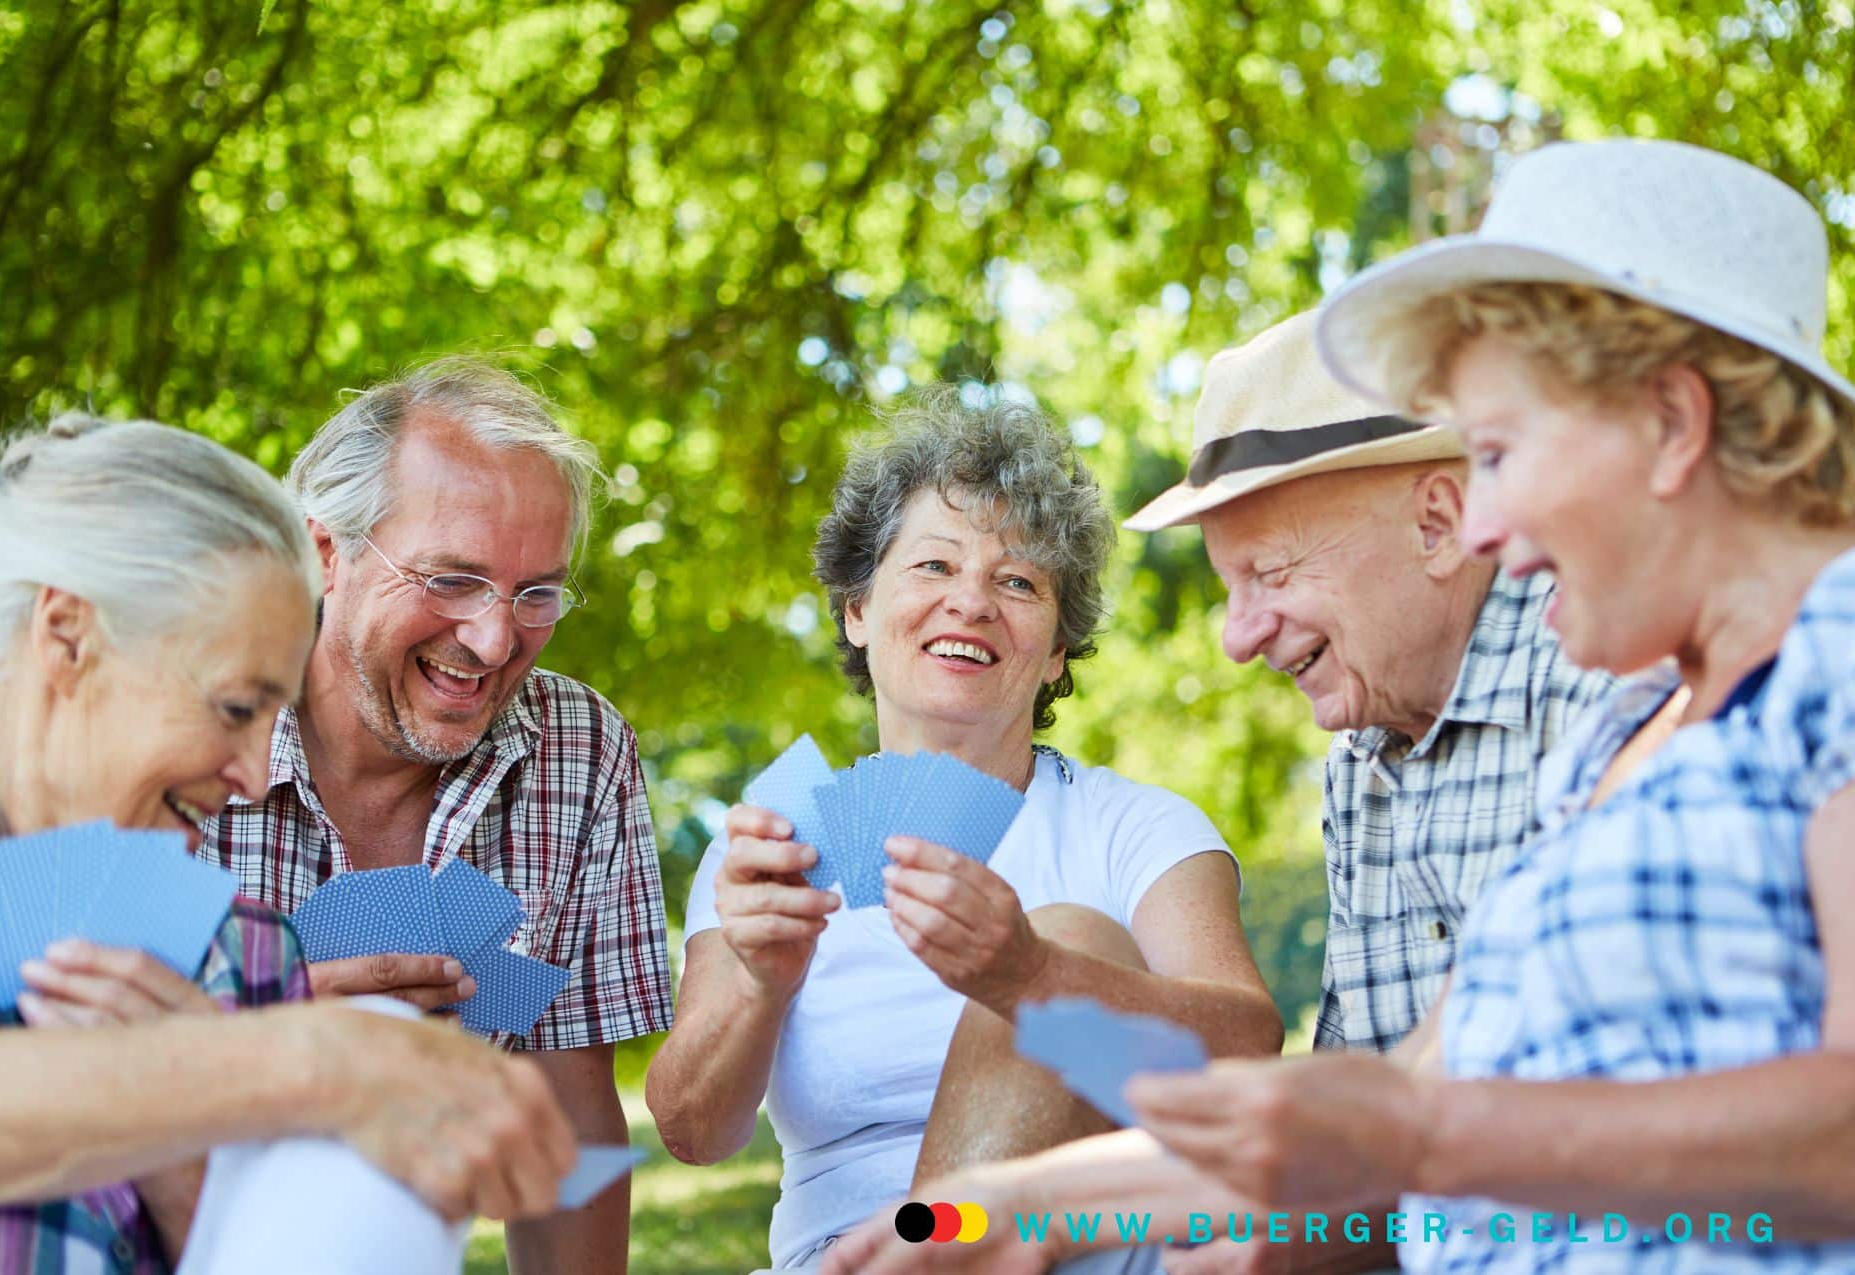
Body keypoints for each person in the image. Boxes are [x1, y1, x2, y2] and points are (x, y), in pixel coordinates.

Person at [1122, 139, 1855, 1271]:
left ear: (1672, 424)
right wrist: (996, 1216)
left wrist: (1418, 1142)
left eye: (1502, 452)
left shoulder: (1824, 656)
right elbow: (1395, 1090)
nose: (1487, 528)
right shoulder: (1630, 728)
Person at [823, 314, 1614, 1274]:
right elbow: (1360, 1127)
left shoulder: (1604, 678)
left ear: (1438, 525)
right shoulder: (1363, 763)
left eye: (1268, 574)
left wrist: (1061, 1202)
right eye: (1231, 586)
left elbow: (1591, 1120)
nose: (1239, 638)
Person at [646, 385, 1285, 1271]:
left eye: (1017, 581)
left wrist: (1035, 973)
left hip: (1077, 1250)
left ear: (1057, 648)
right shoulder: (773, 844)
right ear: (857, 610)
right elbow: (691, 1131)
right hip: (839, 1253)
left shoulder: (1136, 827)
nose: (972, 603)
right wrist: (760, 983)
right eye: (934, 566)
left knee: (1076, 935)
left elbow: (1250, 1050)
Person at [0, 415, 575, 1272]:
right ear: (67, 634)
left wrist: (191, 1166)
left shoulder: (239, 955)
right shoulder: (286, 1041)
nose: (248, 774)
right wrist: (295, 1061)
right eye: (236, 708)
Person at [198, 357, 672, 1275]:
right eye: (451, 579)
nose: (495, 641)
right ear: (325, 552)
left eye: (536, 592)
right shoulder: (188, 714)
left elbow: (572, 1107)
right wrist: (264, 1020)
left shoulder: (579, 751)